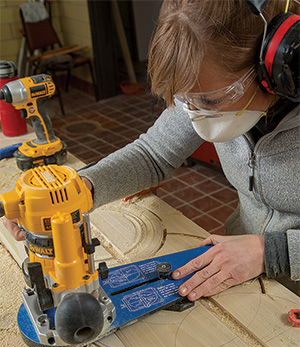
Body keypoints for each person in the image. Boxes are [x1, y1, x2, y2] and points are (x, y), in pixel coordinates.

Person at [4, 0, 300, 296]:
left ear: (272, 68)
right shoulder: (206, 88)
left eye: (210, 101)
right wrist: (76, 191)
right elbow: (153, 154)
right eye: (187, 101)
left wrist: (269, 252)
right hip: (242, 270)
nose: (196, 114)